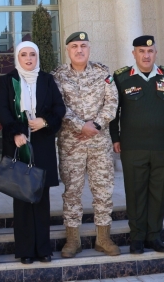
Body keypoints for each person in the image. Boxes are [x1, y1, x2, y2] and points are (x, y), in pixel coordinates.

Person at [109, 35, 164, 255]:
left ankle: (154, 237)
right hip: (133, 146)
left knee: (158, 194)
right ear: (134, 53)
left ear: (155, 53)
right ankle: (137, 237)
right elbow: (113, 111)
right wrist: (115, 138)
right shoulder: (121, 78)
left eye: (150, 51)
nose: (146, 55)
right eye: (141, 51)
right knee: (135, 193)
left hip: (162, 146)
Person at [0, 41, 66, 263]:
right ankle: (25, 251)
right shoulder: (8, 81)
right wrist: (15, 132)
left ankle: (43, 250)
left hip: (42, 144)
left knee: (41, 199)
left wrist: (45, 121)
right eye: (24, 54)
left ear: (37, 57)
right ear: (17, 58)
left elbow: (59, 107)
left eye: (32, 54)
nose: (28, 58)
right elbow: (1, 109)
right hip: (19, 145)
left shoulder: (47, 79)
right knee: (23, 200)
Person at [52, 32, 121, 258]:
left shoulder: (103, 73)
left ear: (89, 48)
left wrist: (96, 125)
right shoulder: (58, 76)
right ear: (67, 50)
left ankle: (103, 238)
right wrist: (81, 126)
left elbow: (112, 102)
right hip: (71, 143)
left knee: (103, 190)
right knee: (72, 191)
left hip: (99, 142)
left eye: (83, 45)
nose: (79, 50)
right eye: (74, 46)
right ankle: (73, 240)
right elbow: (58, 106)